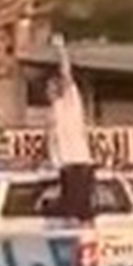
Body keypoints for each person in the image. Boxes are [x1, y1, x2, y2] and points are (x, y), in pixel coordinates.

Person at [45, 35, 95, 222]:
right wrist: (53, 162)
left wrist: (61, 50)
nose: (47, 91)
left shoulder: (70, 102)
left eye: (50, 87)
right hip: (66, 166)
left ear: (58, 88)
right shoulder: (53, 111)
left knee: (79, 212)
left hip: (79, 163)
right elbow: (53, 141)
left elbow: (66, 74)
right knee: (68, 213)